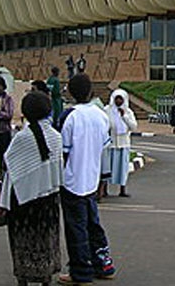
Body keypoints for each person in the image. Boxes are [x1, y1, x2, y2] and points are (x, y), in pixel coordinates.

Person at [1, 91, 63, 286]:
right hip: (49, 199)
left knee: (23, 240)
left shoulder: (22, 137)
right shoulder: (56, 136)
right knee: (46, 239)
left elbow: (9, 165)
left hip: (23, 201)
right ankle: (45, 277)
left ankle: (24, 279)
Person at [59, 73, 116, 284]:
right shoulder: (100, 116)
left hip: (72, 180)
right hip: (91, 178)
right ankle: (103, 264)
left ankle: (80, 271)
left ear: (71, 93)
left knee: (76, 227)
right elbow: (103, 147)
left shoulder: (69, 116)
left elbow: (62, 152)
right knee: (93, 224)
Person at [102, 88, 137, 198]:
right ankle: (105, 190)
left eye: (120, 99)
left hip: (123, 144)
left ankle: (122, 189)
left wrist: (124, 117)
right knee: (108, 168)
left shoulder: (128, 111)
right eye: (116, 99)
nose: (118, 102)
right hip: (111, 143)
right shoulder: (107, 110)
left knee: (123, 168)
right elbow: (104, 124)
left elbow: (133, 127)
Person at [0, 76, 15, 167]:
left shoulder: (8, 99)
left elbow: (9, 114)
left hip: (4, 130)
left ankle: (3, 172)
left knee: (4, 154)